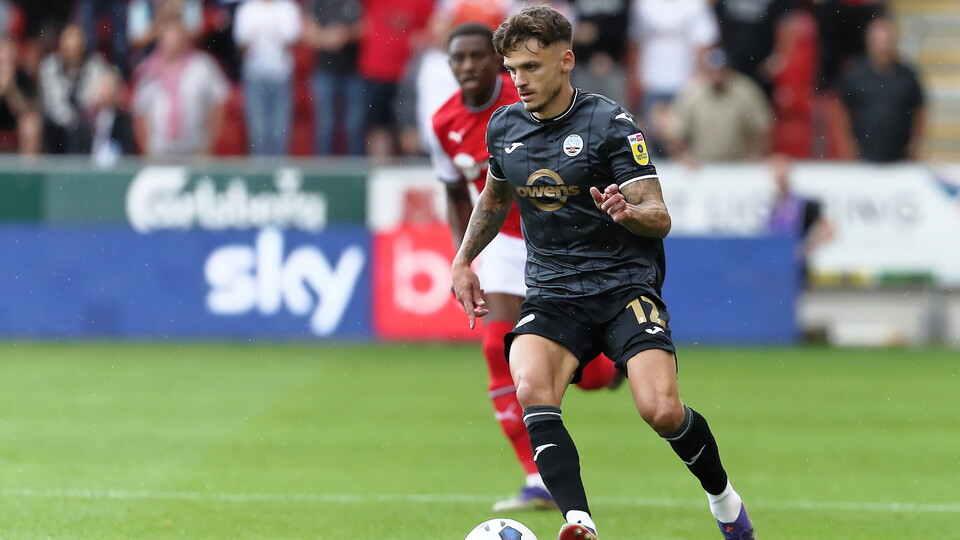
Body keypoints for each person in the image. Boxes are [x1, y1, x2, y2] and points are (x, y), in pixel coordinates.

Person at [450, 6, 755, 540]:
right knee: (529, 386)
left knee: (660, 410)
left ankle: (723, 498)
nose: (518, 80)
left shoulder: (609, 124)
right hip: (552, 292)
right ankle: (579, 522)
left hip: (622, 288)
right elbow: (494, 200)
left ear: (565, 61)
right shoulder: (504, 127)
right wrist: (463, 258)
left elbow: (659, 218)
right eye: (513, 69)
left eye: (531, 66)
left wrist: (629, 213)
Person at [431, 21, 622, 513]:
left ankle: (607, 369)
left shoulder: (525, 103)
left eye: (478, 56)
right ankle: (536, 476)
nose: (469, 66)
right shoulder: (442, 122)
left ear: (499, 62)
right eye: (459, 59)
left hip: (558, 242)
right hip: (502, 244)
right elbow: (457, 193)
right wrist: (464, 258)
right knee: (497, 345)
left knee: (590, 370)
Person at [131, 19, 229, 157]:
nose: (173, 43)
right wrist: (146, 147)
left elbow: (219, 102)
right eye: (169, 38)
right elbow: (140, 112)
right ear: (161, 41)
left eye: (177, 38)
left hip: (197, 150)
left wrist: (211, 142)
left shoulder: (203, 65)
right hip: (159, 152)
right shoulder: (147, 70)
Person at [835, 17, 924, 162]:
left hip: (899, 160)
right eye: (880, 42)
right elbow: (840, 112)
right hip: (862, 159)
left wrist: (915, 145)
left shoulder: (908, 76)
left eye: (888, 41)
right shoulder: (854, 74)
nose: (884, 47)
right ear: (869, 42)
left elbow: (919, 111)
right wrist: (847, 145)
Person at [667, 47, 773, 164]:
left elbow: (763, 128)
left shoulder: (745, 91)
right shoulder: (692, 92)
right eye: (713, 70)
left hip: (739, 166)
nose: (717, 75)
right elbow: (674, 132)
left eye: (721, 70)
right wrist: (683, 156)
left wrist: (756, 155)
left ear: (729, 70)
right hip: (701, 168)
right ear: (705, 70)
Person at [233, 0, 302, 156]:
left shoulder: (288, 7)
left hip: (281, 74)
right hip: (255, 74)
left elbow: (294, 41)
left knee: (280, 127)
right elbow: (241, 43)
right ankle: (259, 174)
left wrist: (273, 34)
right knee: (258, 129)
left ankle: (278, 172)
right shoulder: (247, 9)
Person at [302, 0, 365, 156]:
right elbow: (308, 35)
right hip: (325, 71)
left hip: (353, 72)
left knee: (354, 126)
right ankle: (323, 172)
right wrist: (328, 38)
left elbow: (367, 26)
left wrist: (345, 34)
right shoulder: (318, 3)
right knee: (325, 126)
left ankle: (355, 171)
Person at [38, 24, 111, 154]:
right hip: (57, 127)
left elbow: (93, 99)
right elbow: (53, 104)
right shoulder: (50, 65)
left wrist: (80, 118)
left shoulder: (94, 64)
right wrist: (72, 120)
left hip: (87, 125)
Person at [0, 38, 40, 154]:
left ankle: (28, 171)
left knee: (31, 125)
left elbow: (27, 110)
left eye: (10, 51)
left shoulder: (23, 76)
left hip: (16, 125)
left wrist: (11, 89)